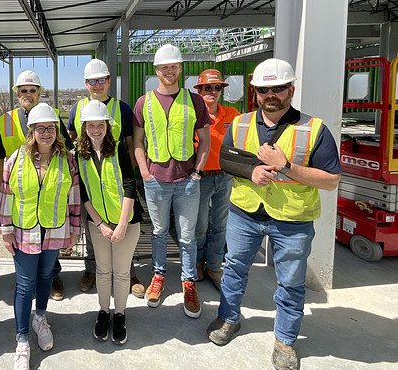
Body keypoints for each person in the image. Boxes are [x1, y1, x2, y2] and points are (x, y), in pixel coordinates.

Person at [206, 58, 341, 370]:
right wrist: (252, 171)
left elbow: (331, 180)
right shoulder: (240, 123)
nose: (271, 94)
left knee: (291, 283)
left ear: (290, 90)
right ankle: (228, 319)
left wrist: (287, 167)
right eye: (264, 89)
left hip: (292, 220)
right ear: (255, 92)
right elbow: (226, 159)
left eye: (278, 88)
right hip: (245, 213)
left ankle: (285, 340)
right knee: (235, 270)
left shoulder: (313, 129)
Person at [0, 103, 82, 370]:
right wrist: (6, 230)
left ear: (57, 131)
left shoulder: (67, 160)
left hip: (55, 228)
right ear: (31, 131)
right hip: (24, 231)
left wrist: (75, 229)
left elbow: (74, 197)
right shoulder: (15, 159)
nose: (46, 133)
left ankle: (40, 318)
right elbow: (5, 196)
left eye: (51, 128)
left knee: (46, 276)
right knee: (24, 285)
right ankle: (22, 340)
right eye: (40, 128)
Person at [132, 44, 211, 317]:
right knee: (158, 232)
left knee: (188, 236)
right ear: (156, 70)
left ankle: (188, 283)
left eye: (173, 66)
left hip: (188, 181)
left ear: (180, 68)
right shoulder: (144, 103)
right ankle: (159, 275)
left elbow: (205, 142)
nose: (169, 71)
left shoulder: (195, 101)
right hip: (156, 181)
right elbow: (138, 142)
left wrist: (198, 172)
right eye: (164, 67)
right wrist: (144, 171)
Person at [0, 70, 74, 301]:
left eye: (32, 90)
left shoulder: (53, 117)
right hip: (19, 191)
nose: (28, 94)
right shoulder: (5, 121)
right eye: (23, 91)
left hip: (48, 187)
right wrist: (0, 188)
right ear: (17, 94)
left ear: (39, 93)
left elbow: (66, 152)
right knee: (24, 239)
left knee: (49, 233)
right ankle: (28, 280)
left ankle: (52, 275)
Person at [67, 59, 144, 298]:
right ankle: (92, 269)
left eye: (102, 80)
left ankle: (128, 273)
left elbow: (130, 145)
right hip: (90, 180)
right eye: (92, 81)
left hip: (118, 180)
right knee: (94, 231)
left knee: (124, 228)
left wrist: (127, 180)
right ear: (86, 84)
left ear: (109, 81)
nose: (97, 85)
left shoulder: (122, 108)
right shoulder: (77, 109)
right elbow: (72, 139)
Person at [76, 100, 141, 345]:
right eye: (90, 125)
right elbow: (82, 192)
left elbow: (129, 185)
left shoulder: (120, 150)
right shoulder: (78, 154)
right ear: (84, 127)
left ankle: (120, 314)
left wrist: (122, 225)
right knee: (103, 270)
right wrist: (101, 224)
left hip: (127, 221)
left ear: (107, 125)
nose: (95, 129)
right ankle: (104, 312)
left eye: (99, 124)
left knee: (122, 272)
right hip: (98, 223)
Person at [193, 69, 240, 290]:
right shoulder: (192, 115)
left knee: (221, 225)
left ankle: (214, 266)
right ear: (199, 90)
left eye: (217, 88)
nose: (213, 91)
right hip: (201, 178)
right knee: (200, 225)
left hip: (225, 177)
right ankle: (198, 263)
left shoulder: (232, 115)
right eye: (208, 88)